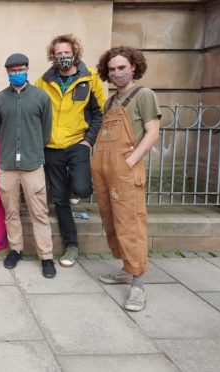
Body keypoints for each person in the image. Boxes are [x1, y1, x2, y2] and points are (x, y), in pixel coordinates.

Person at [93, 46, 161, 311]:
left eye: (122, 67)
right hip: (104, 169)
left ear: (133, 67)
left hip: (125, 170)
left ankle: (138, 285)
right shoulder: (110, 101)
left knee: (130, 223)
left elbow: (152, 132)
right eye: (112, 69)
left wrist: (130, 161)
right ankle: (125, 268)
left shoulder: (144, 95)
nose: (117, 73)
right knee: (112, 221)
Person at [35, 34, 106, 268]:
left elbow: (99, 113)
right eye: (58, 54)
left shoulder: (90, 78)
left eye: (66, 53)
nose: (63, 57)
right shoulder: (44, 81)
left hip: (77, 143)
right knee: (61, 201)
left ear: (74, 52)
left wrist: (88, 141)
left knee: (82, 188)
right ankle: (71, 245)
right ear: (52, 56)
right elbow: (34, 110)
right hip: (51, 147)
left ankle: (73, 186)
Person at [0, 53, 56, 278]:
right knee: (11, 212)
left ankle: (46, 257)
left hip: (33, 165)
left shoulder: (41, 97)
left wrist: (32, 149)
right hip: (7, 165)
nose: (16, 73)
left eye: (20, 70)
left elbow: (46, 131)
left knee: (39, 212)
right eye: (12, 70)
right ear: (7, 72)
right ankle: (15, 250)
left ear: (27, 69)